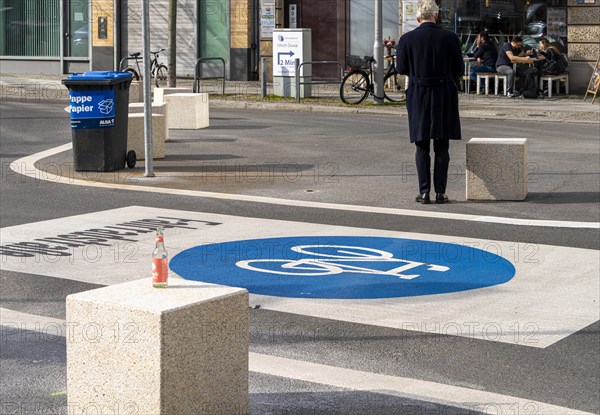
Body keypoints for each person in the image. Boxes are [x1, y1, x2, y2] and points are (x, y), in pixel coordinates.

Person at [395, 0, 463, 204]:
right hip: (443, 93)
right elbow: (459, 69)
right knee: (442, 145)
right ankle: (440, 192)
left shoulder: (407, 39)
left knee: (421, 145)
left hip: (418, 93)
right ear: (437, 16)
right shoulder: (450, 38)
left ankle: (424, 192)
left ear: (418, 18)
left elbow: (400, 68)